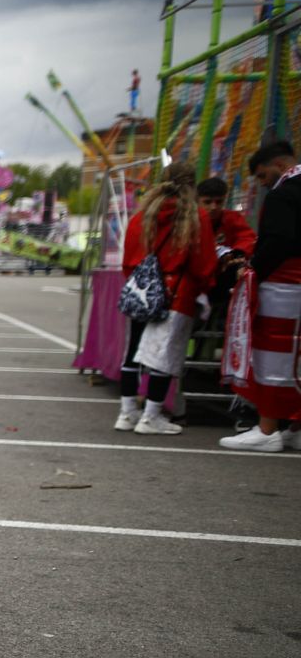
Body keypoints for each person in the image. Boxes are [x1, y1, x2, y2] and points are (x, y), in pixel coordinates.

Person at [115, 162, 217, 435]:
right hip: (177, 290)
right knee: (163, 355)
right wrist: (207, 285)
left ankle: (126, 412)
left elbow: (129, 258)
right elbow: (203, 262)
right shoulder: (195, 217)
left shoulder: (143, 215)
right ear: (192, 185)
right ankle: (151, 416)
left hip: (143, 289)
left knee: (133, 352)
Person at [220, 139, 301, 452]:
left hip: (283, 286)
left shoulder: (283, 195)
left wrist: (254, 271)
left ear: (279, 166)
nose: (263, 184)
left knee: (272, 353)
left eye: (263, 176)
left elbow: (277, 241)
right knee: (295, 357)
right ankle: (294, 426)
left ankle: (267, 429)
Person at [197, 176, 257, 298]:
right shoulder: (191, 222)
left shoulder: (232, 218)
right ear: (198, 201)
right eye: (207, 202)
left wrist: (236, 253)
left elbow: (248, 238)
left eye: (219, 202)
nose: (213, 207)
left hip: (223, 279)